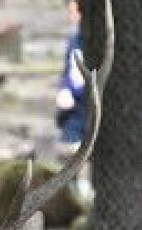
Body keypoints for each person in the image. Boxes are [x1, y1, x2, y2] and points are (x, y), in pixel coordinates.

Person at [55, 0, 86, 154]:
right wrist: (65, 89)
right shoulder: (73, 40)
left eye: (74, 12)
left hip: (87, 105)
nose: (71, 16)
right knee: (67, 147)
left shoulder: (91, 42)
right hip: (73, 110)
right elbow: (68, 71)